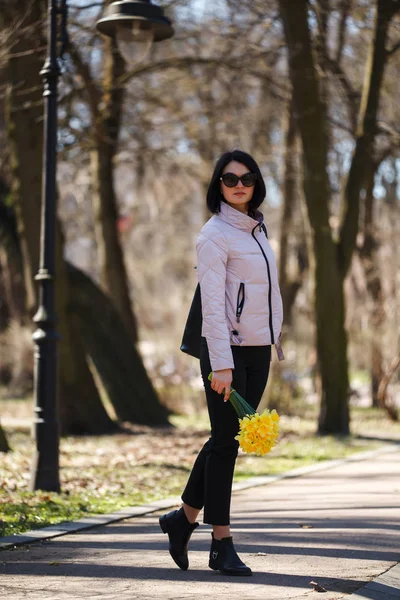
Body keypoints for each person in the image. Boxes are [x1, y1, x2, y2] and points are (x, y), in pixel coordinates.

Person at [159, 149, 283, 576]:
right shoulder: (214, 234)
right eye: (229, 180)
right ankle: (221, 541)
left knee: (223, 439)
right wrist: (222, 365)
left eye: (247, 177)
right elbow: (213, 306)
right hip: (224, 351)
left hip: (258, 348)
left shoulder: (257, 229)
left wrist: (272, 337)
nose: (239, 185)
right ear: (217, 186)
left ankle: (182, 520)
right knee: (226, 444)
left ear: (256, 182)